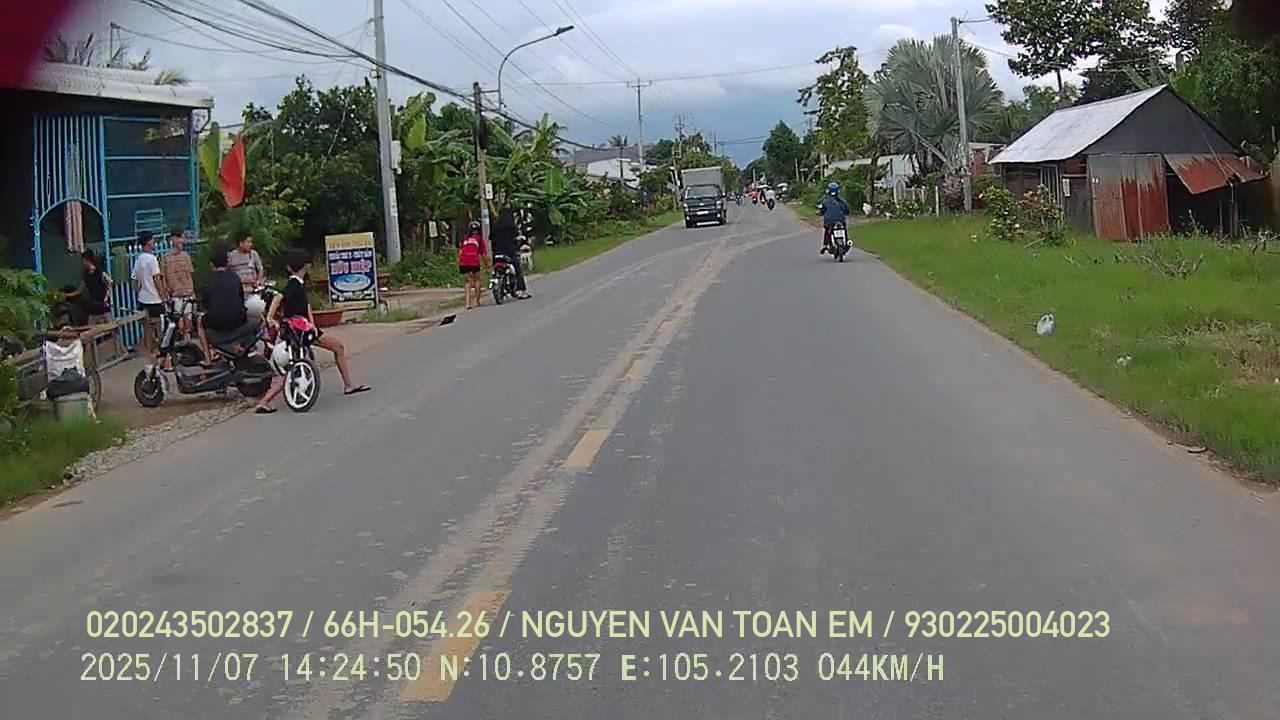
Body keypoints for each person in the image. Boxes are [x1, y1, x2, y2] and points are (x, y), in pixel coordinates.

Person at [255, 248, 369, 414]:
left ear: (289, 267)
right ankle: (349, 385)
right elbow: (279, 297)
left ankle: (264, 401)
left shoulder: (298, 284)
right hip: (299, 331)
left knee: (291, 367)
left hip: (303, 329)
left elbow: (305, 306)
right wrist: (270, 317)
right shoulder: (294, 284)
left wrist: (312, 325)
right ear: (306, 266)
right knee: (336, 347)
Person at [199, 246, 248, 363]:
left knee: (200, 322)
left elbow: (205, 305)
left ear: (211, 264)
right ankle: (238, 348)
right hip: (238, 318)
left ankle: (208, 357)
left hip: (217, 320)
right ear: (227, 262)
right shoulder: (235, 277)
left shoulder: (208, 281)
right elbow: (241, 299)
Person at [131, 232, 166, 367]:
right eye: (152, 240)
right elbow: (157, 279)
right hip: (154, 300)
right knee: (160, 330)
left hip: (143, 300)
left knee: (147, 329)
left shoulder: (139, 260)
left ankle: (150, 355)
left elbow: (134, 281)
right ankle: (159, 355)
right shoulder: (152, 259)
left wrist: (141, 289)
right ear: (148, 242)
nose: (154, 242)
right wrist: (163, 295)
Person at [489, 203, 530, 299]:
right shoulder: (511, 226)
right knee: (518, 270)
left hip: (497, 253)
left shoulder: (495, 225)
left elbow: (490, 237)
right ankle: (521, 290)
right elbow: (516, 236)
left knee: (495, 269)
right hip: (510, 252)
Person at [161, 227, 196, 336]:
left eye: (182, 238)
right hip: (175, 295)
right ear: (172, 239)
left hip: (187, 294)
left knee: (188, 323)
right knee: (179, 324)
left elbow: (190, 275)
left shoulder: (186, 256)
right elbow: (163, 278)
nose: (181, 241)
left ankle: (187, 341)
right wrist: (166, 294)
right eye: (179, 237)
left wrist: (193, 292)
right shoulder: (165, 258)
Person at [73, 250, 112, 325]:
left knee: (110, 329)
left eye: (83, 261)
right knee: (91, 330)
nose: (83, 263)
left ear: (87, 260)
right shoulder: (86, 275)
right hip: (93, 309)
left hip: (103, 308)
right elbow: (80, 290)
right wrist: (67, 295)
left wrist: (107, 297)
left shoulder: (99, 271)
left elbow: (110, 282)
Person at [458, 221, 487, 309]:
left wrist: (459, 262)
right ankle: (477, 301)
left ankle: (467, 303)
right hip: (474, 260)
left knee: (467, 282)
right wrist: (486, 264)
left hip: (463, 261)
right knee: (477, 280)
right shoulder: (480, 239)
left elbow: (460, 251)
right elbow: (483, 254)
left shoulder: (465, 238)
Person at [818, 181, 851, 254]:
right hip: (841, 220)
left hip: (829, 221)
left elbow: (822, 210)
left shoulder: (826, 201)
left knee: (827, 231)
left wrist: (820, 213)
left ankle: (825, 245)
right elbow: (847, 210)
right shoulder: (842, 201)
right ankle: (847, 241)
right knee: (844, 229)